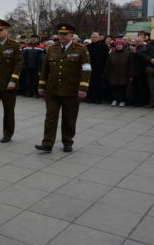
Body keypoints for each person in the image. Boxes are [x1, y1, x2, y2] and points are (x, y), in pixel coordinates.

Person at [35, 24, 91, 153]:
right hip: (52, 89)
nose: (62, 36)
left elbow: (86, 69)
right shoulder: (52, 49)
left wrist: (83, 88)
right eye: (60, 34)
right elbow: (45, 70)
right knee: (50, 117)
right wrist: (41, 85)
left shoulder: (81, 49)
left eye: (65, 34)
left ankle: (67, 141)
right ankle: (47, 143)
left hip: (71, 89)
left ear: (71, 36)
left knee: (69, 118)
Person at [104, 40, 133, 107]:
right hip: (113, 74)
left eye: (120, 45)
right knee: (114, 88)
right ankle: (114, 100)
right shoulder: (112, 54)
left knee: (122, 88)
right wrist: (106, 73)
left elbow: (131, 65)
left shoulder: (128, 54)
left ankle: (122, 101)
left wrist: (131, 75)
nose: (118, 46)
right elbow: (107, 65)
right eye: (117, 45)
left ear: (123, 46)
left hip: (124, 74)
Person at [86, 32, 109, 104]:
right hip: (90, 68)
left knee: (98, 84)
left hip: (100, 68)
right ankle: (90, 97)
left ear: (99, 37)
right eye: (92, 37)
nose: (94, 38)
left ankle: (98, 98)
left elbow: (106, 58)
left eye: (95, 37)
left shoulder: (104, 47)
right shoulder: (88, 47)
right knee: (90, 83)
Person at [143, 38, 154, 108]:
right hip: (151, 68)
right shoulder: (149, 44)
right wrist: (150, 59)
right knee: (151, 87)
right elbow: (145, 54)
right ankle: (152, 102)